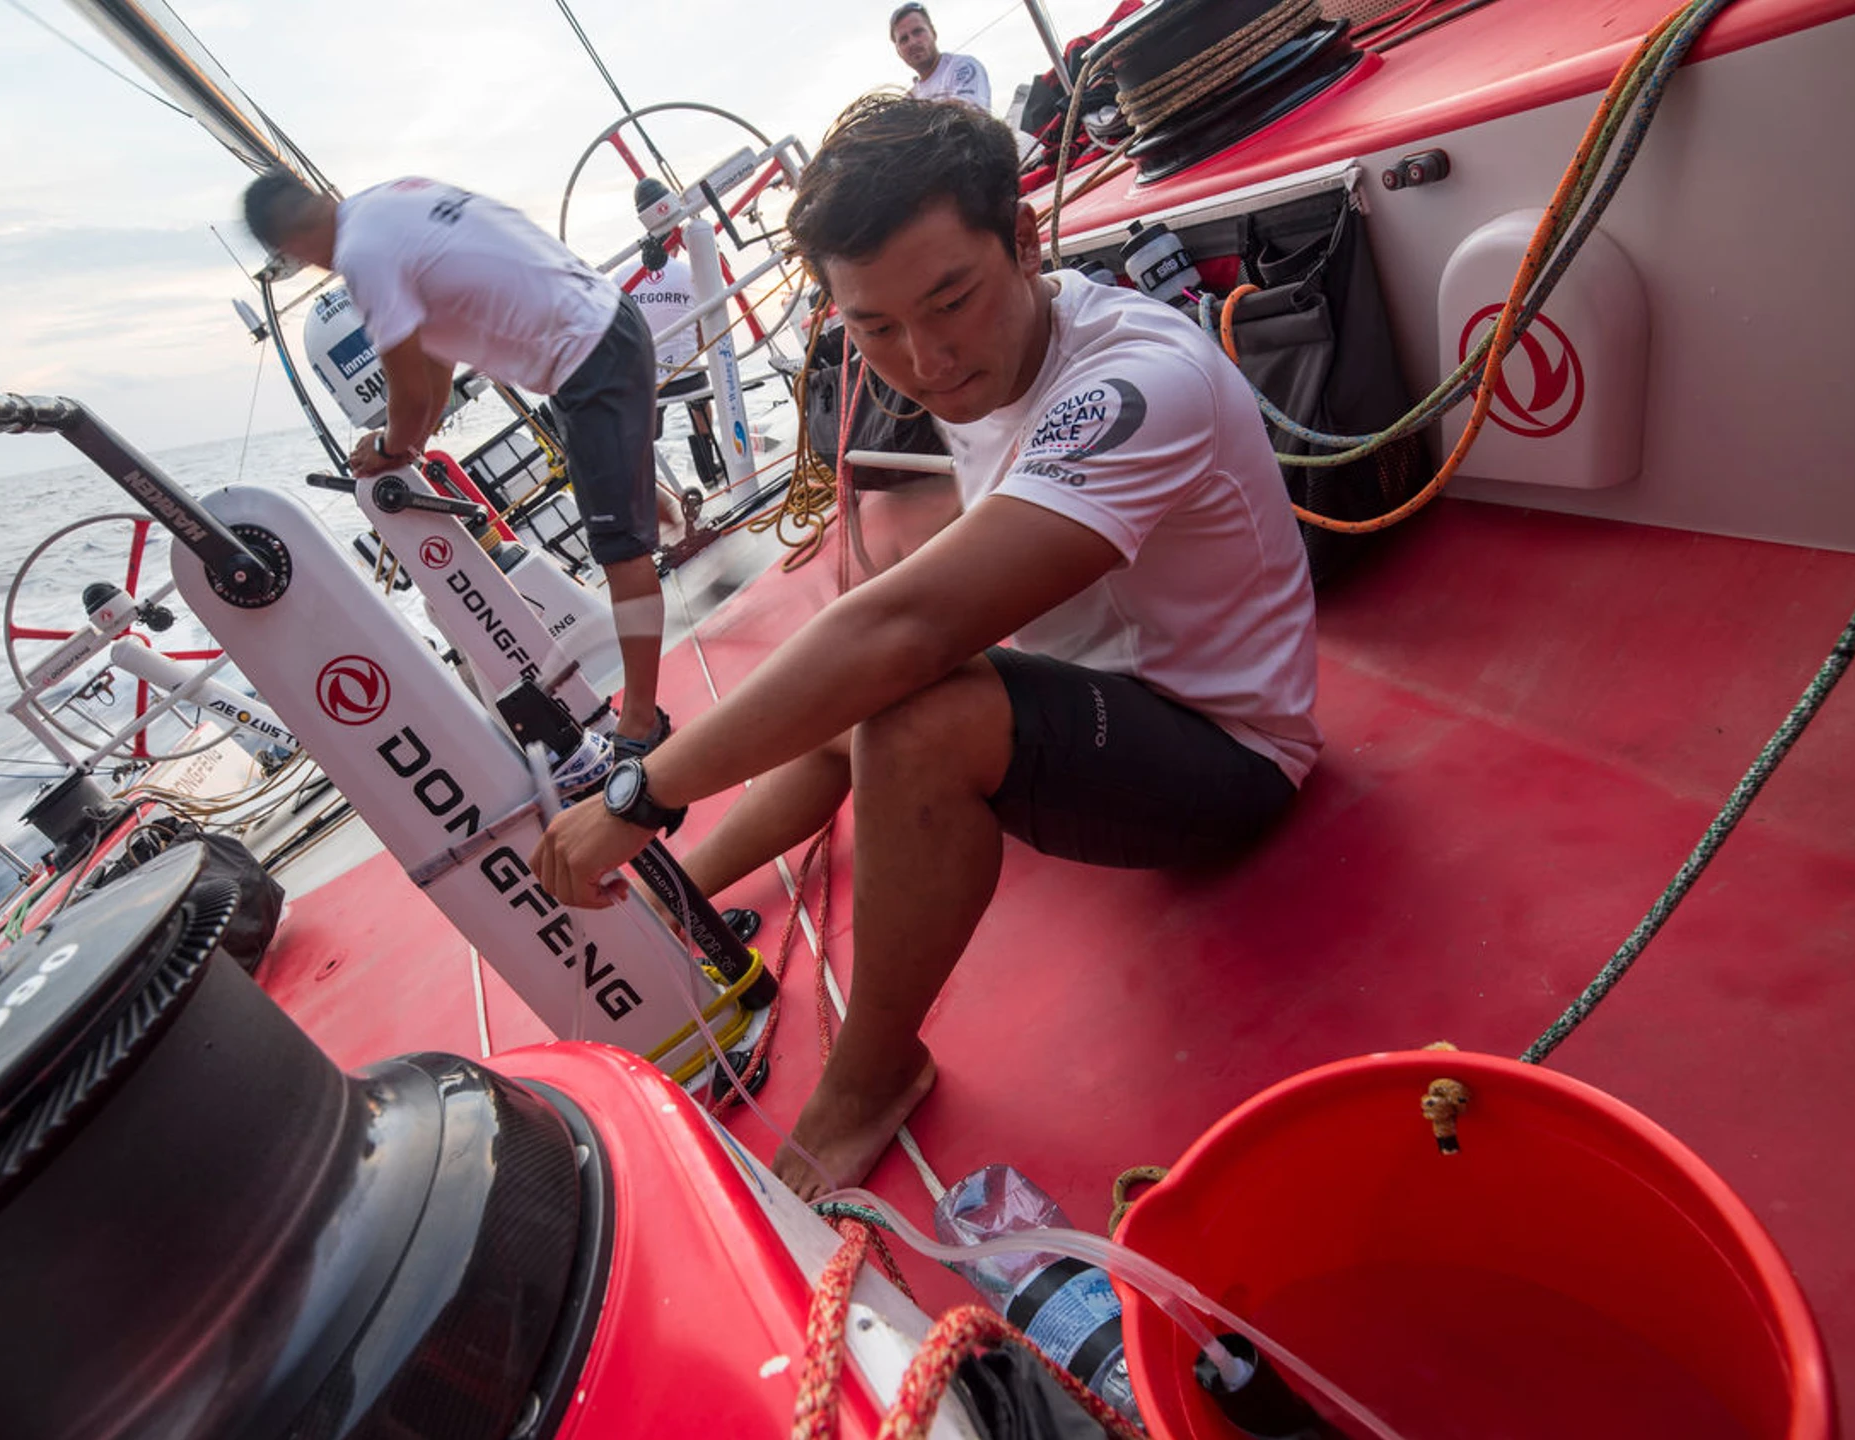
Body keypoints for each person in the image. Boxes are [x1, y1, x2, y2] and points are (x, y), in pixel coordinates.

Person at [533, 96, 1319, 1198]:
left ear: (1027, 240)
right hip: (1088, 704)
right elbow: (874, 640)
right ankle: (682, 901)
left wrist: (638, 789)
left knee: (908, 703)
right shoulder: (970, 350)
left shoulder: (1136, 384)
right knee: (850, 684)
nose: (927, 359)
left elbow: (909, 628)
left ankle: (872, 1075)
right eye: (875, 327)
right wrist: (653, 843)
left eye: (952, 298)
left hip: (1226, 755)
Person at [243, 169, 672, 754]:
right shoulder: (392, 199)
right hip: (598, 329)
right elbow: (435, 365)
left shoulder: (363, 257)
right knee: (616, 511)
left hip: (585, 351)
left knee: (621, 551)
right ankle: (657, 513)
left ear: (290, 248)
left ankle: (643, 722)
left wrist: (390, 448)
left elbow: (413, 396)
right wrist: (410, 441)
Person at [892, 3, 991, 112]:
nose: (912, 42)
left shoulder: (962, 67)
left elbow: (968, 115)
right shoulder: (909, 99)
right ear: (898, 51)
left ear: (933, 33)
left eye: (918, 32)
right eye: (904, 39)